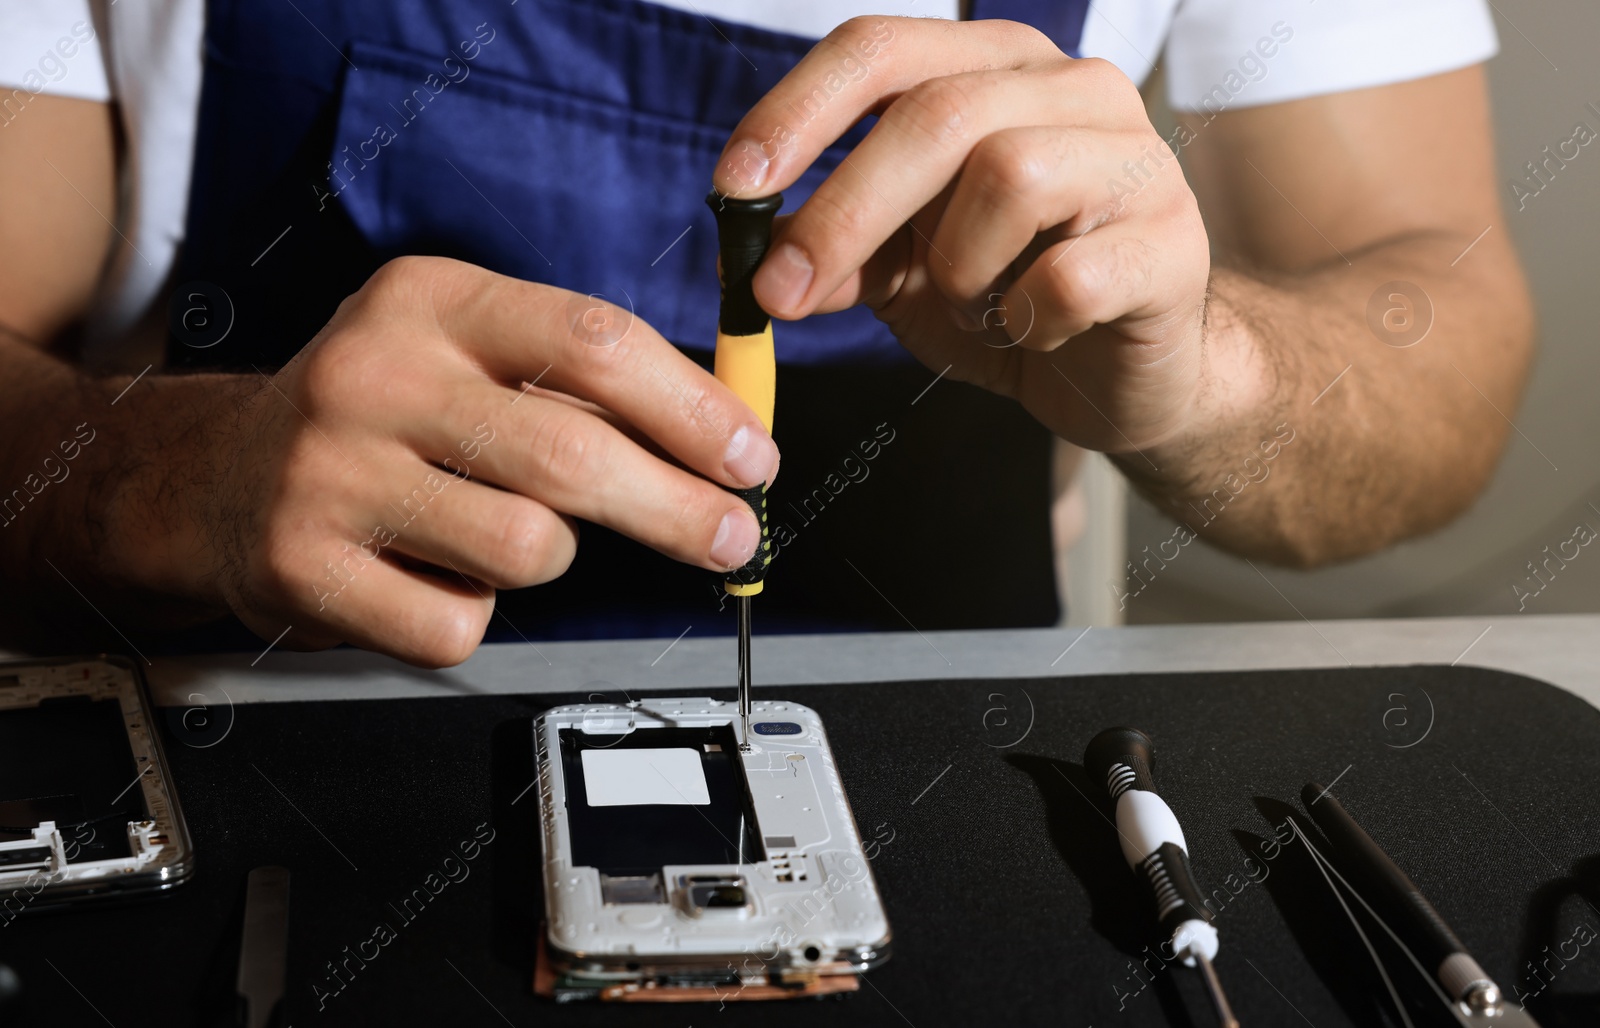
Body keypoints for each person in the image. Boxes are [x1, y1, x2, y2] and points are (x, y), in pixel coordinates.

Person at [0, 0, 1532, 666]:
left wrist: (1216, 368)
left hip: (929, 776)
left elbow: (1444, 340)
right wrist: (171, 472)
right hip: (241, 743)